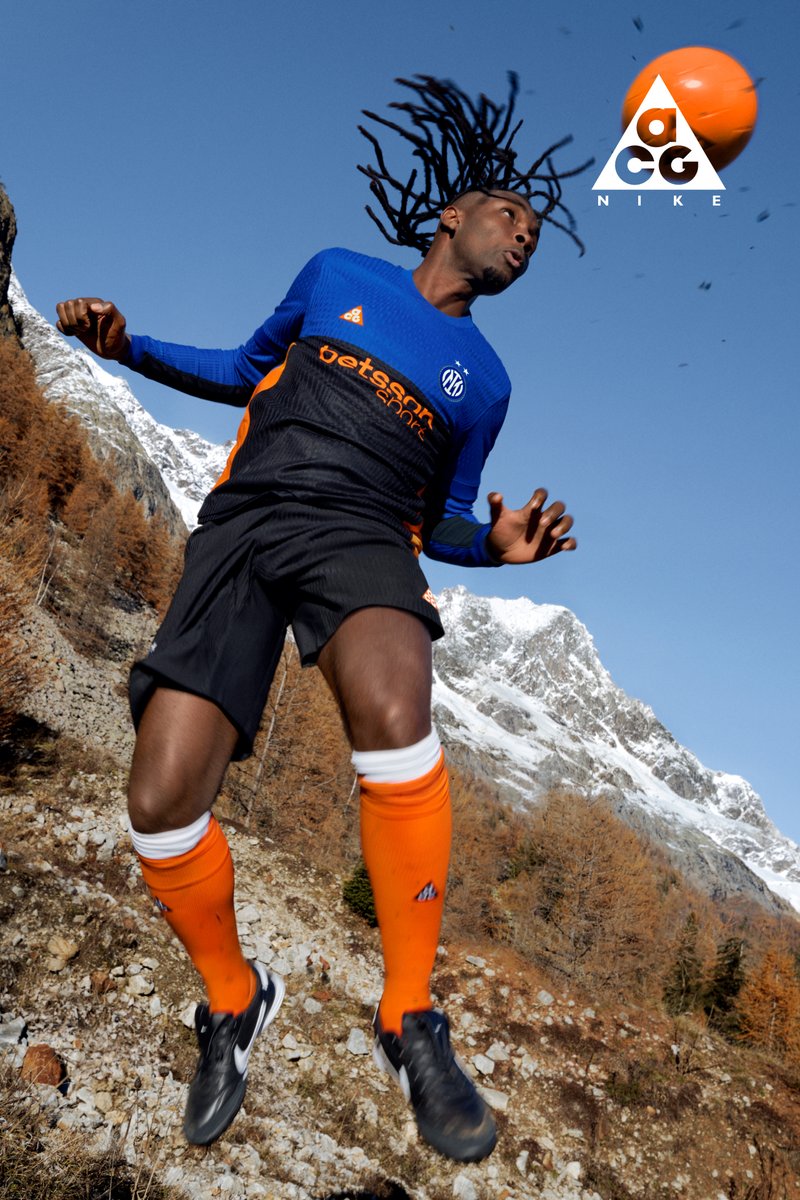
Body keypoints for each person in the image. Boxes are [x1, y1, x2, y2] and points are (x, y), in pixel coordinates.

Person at [56, 75, 586, 1164]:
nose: (525, 235)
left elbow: (438, 516)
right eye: (511, 215)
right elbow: (242, 371)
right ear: (453, 213)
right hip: (242, 529)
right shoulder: (335, 274)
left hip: (360, 536)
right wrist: (129, 346)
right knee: (158, 805)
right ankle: (233, 998)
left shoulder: (481, 383)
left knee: (397, 709)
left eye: (536, 231)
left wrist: (492, 544)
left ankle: (406, 1016)